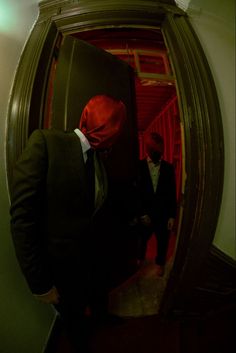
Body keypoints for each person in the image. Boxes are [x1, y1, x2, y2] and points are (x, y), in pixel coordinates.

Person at [10, 95, 127, 352]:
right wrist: (39, 284)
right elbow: (22, 218)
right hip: (62, 268)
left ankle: (100, 317)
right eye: (116, 128)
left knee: (98, 296)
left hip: (94, 259)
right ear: (105, 126)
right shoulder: (46, 142)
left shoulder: (99, 157)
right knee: (74, 319)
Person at [137, 131, 177, 277]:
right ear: (147, 148)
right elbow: (136, 193)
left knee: (163, 241)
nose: (157, 153)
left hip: (163, 214)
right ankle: (140, 259)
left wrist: (172, 216)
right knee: (141, 239)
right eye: (154, 150)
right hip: (145, 213)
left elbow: (172, 192)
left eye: (160, 150)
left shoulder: (168, 168)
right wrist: (141, 213)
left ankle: (160, 263)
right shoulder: (139, 167)